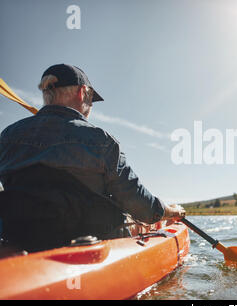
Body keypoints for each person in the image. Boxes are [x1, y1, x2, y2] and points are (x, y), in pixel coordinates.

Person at [0, 64, 185, 252]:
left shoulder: (6, 136)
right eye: (91, 100)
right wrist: (172, 211)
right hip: (89, 244)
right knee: (139, 222)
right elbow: (140, 206)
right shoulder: (101, 140)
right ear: (83, 93)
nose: (90, 107)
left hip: (20, 238)